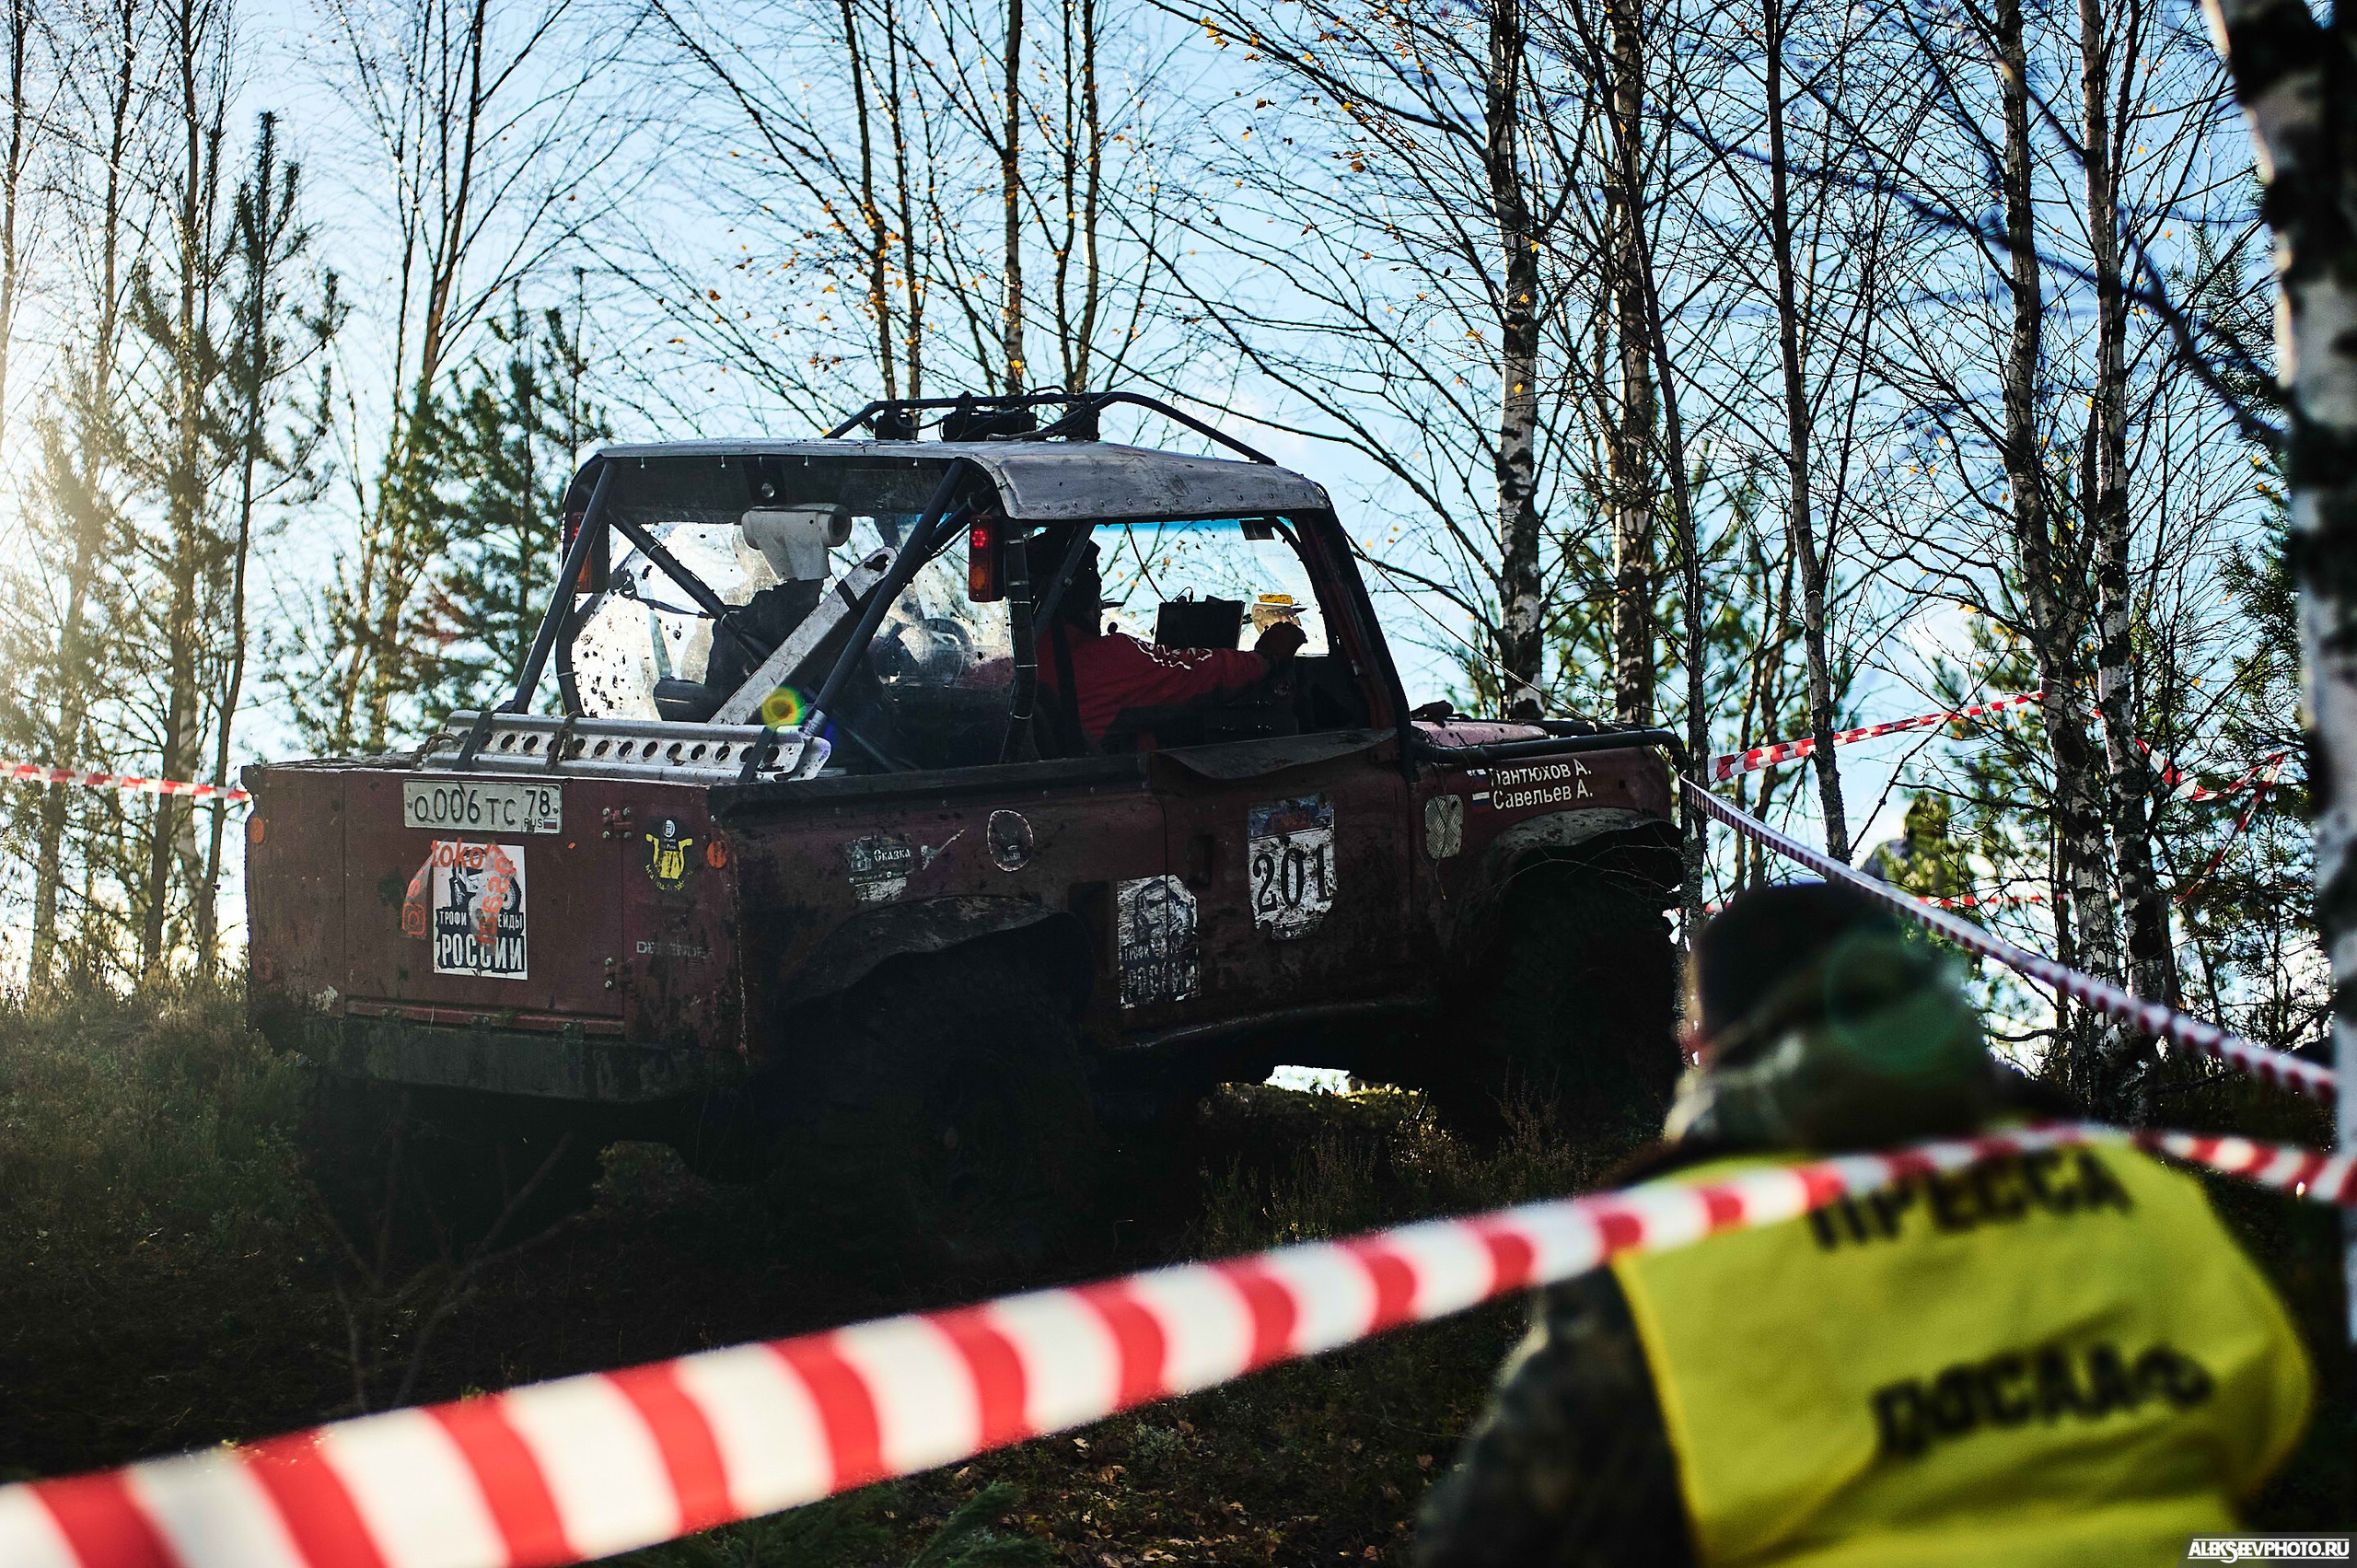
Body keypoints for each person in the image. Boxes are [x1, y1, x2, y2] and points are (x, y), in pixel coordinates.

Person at [1415, 880, 2315, 1568]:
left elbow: (1487, 1537)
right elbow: (2276, 1430)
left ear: (1702, 1042)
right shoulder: (2134, 1184)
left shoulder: (1671, 1241)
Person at [1030, 537, 1305, 750]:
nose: (1102, 608)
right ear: (1085, 598)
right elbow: (1200, 673)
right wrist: (1267, 657)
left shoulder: (1014, 664)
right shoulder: (1106, 659)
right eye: (1098, 597)